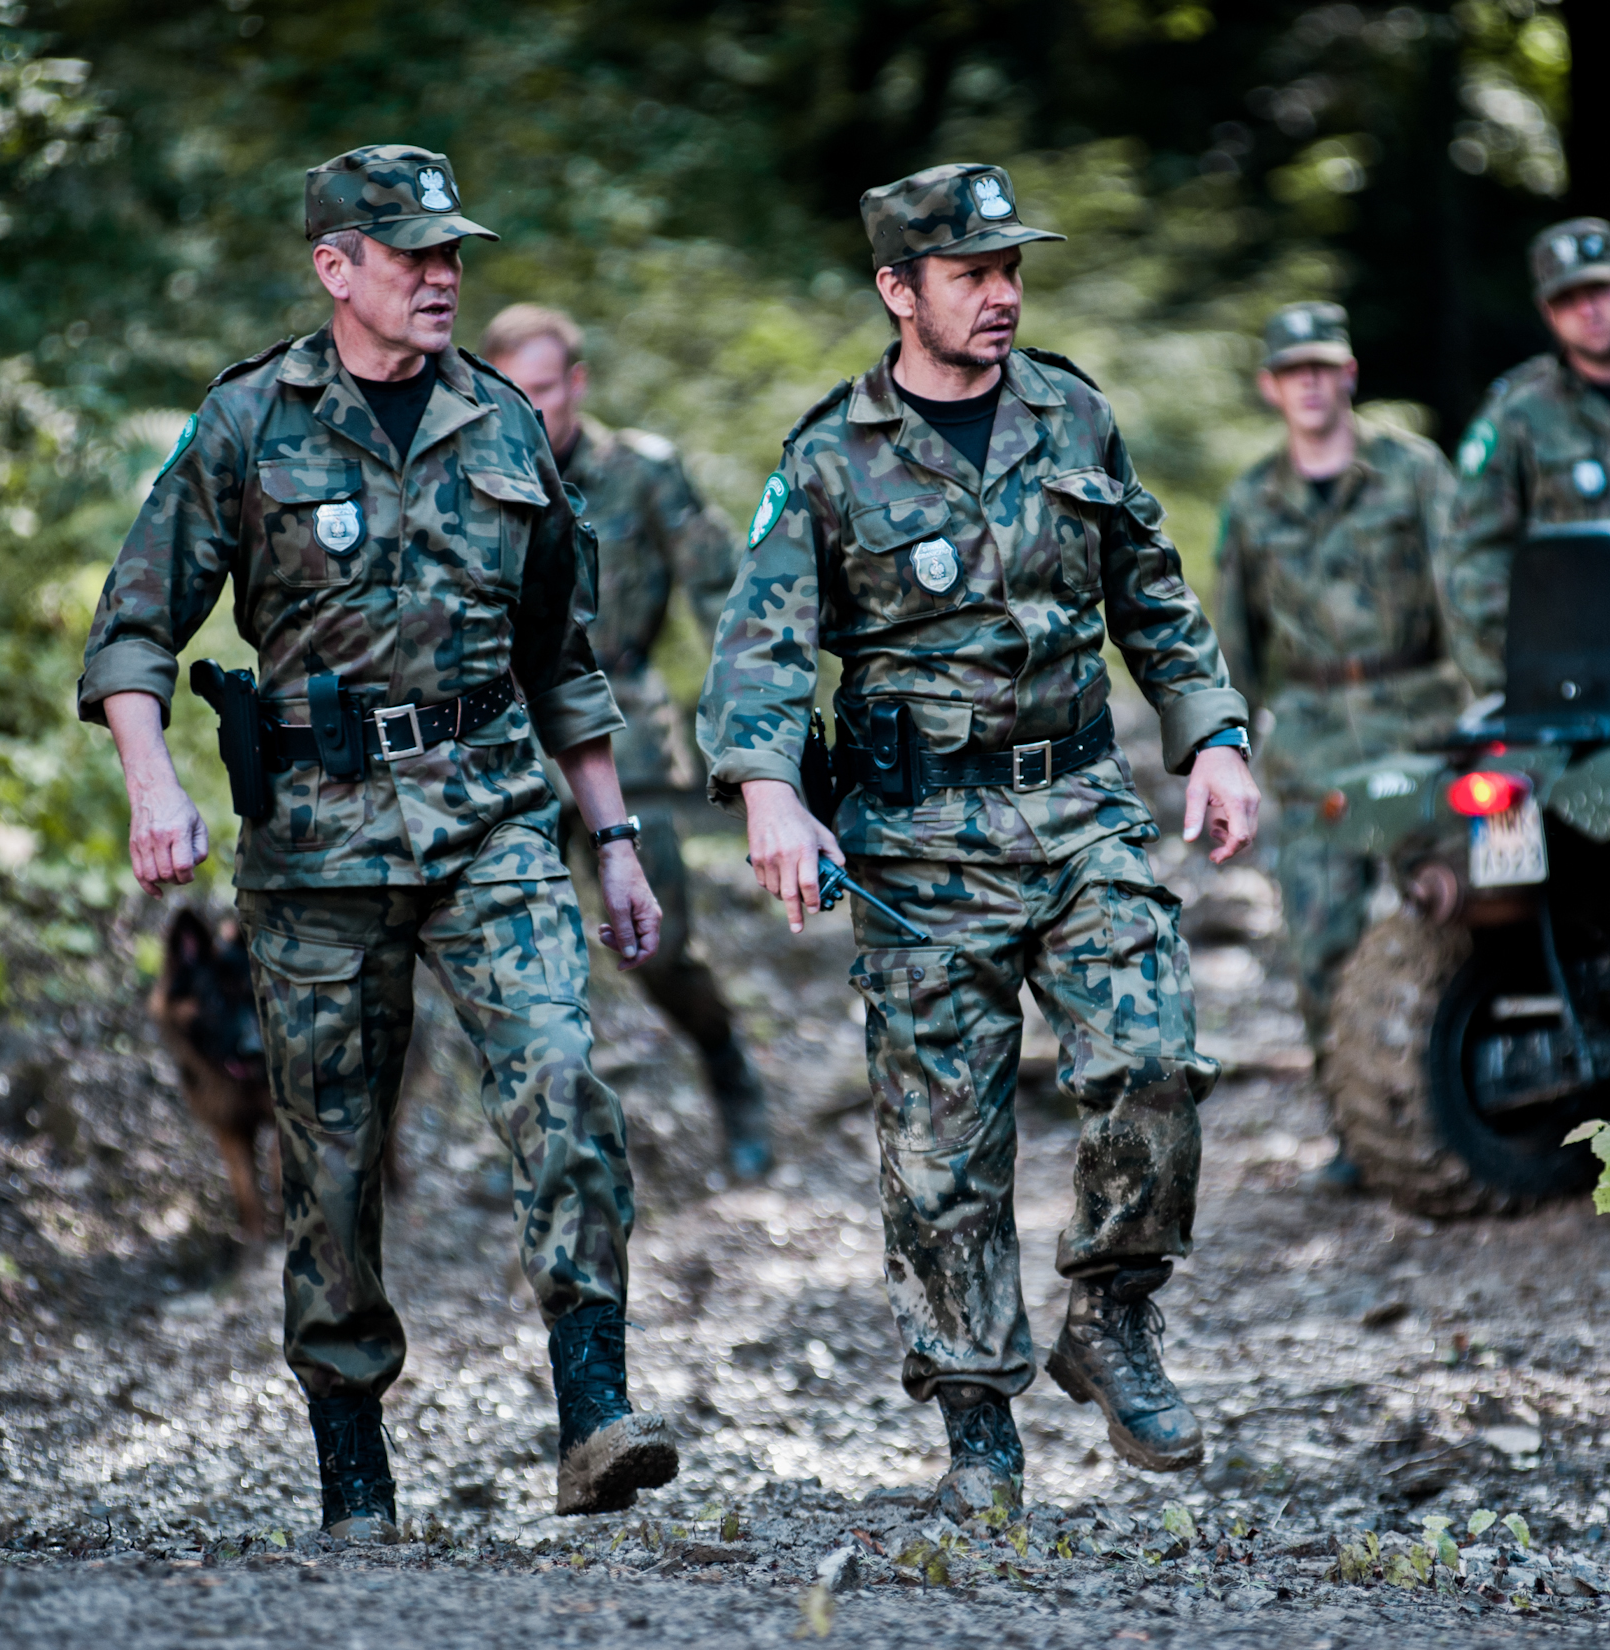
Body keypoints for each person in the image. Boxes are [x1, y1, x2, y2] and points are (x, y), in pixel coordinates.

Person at [77, 145, 683, 1535]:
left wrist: (620, 841)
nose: (442, 274)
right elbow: (132, 623)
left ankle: (595, 1405)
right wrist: (151, 781)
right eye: (409, 253)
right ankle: (353, 1462)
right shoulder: (245, 424)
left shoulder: (506, 424)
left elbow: (563, 659)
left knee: (564, 1082)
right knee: (333, 1161)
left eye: (453, 251)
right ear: (334, 265)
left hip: (495, 823)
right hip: (319, 851)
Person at [697, 162, 1259, 1521]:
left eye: (1012, 271)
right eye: (971, 274)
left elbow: (1155, 597)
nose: (1002, 295)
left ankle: (1113, 1313)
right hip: (916, 835)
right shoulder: (831, 453)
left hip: (1077, 804)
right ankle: (976, 1428)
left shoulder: (1074, 414)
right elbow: (760, 653)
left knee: (1154, 1058)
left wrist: (1215, 734)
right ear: (899, 291)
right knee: (943, 1149)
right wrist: (771, 789)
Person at [480, 302, 774, 1182]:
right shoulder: (477, 473)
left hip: (624, 722)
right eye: (511, 394)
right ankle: (536, 1130)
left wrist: (753, 729)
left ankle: (729, 1071)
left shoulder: (641, 472)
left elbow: (725, 594)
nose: (530, 412)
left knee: (659, 942)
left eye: (542, 390)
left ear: (576, 383)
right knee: (505, 943)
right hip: (508, 729)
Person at [1211, 301, 1469, 1191]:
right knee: (1320, 948)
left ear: (1349, 375)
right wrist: (1223, 750)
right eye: (1294, 371)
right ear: (1271, 387)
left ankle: (1464, 1115)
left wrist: (1495, 708)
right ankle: (1356, 1131)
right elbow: (1233, 644)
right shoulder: (1253, 500)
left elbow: (1464, 593)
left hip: (1421, 725)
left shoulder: (1412, 472)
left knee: (1457, 919)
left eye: (1325, 367)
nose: (1311, 384)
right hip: (1314, 742)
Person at [1441, 218, 1610, 689]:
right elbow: (1474, 561)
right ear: (1546, 312)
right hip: (1581, 680)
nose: (1587, 310)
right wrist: (1512, 681)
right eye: (1566, 299)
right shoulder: (1516, 415)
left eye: (1599, 289)